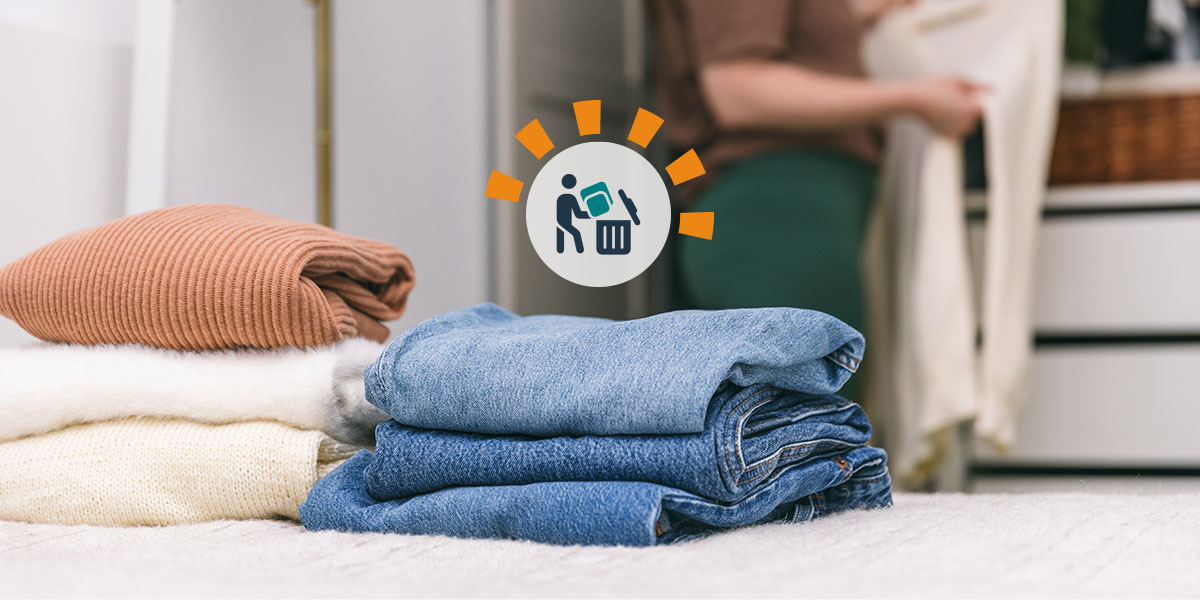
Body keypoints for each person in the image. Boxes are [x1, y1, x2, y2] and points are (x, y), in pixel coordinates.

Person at [653, 0, 984, 402]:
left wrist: (851, 13)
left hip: (788, 225)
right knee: (807, 444)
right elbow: (737, 88)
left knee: (813, 442)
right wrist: (916, 100)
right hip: (774, 222)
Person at [556, 173, 589, 254]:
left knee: (562, 234)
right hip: (564, 223)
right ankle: (580, 251)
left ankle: (560, 249)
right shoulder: (571, 198)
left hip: (560, 222)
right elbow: (578, 214)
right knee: (576, 234)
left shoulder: (560, 198)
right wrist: (589, 214)